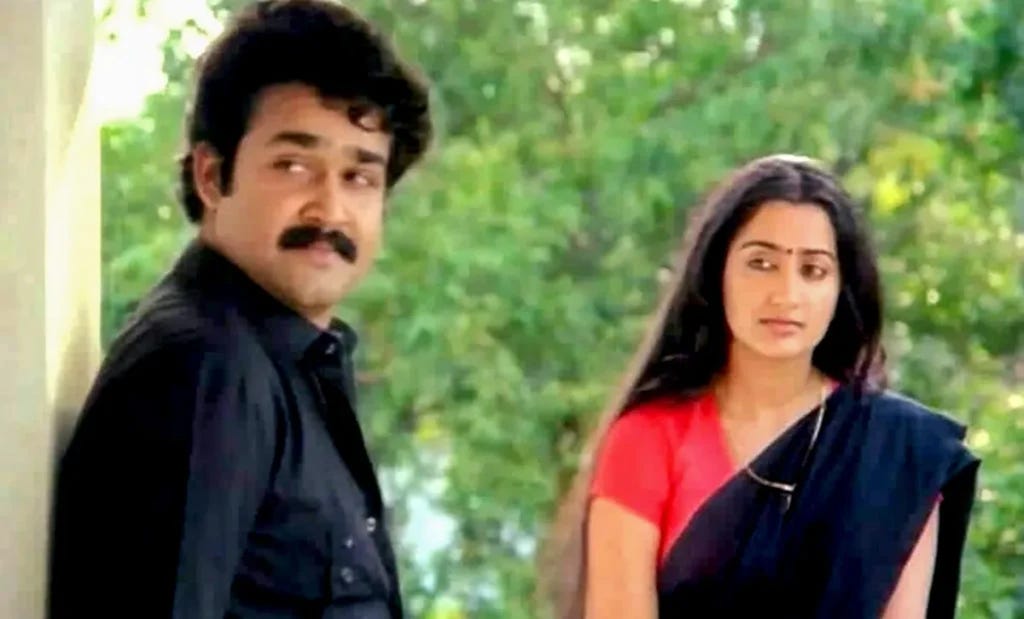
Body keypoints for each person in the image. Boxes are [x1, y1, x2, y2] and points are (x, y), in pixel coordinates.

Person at [49, 1, 431, 617]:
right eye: (294, 166)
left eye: (359, 177)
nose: (330, 211)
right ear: (212, 175)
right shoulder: (208, 367)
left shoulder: (284, 364)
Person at [543, 155, 980, 619]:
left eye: (812, 270)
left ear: (842, 289)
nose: (785, 294)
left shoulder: (897, 454)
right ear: (717, 274)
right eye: (761, 263)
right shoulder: (649, 437)